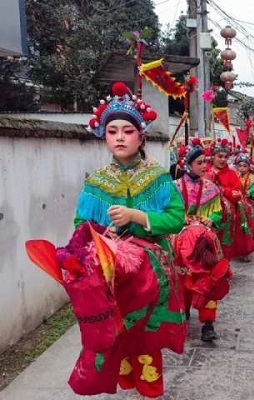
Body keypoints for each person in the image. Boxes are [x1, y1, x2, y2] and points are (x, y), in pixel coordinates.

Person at [74, 82, 186, 398]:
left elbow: (177, 219)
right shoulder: (95, 183)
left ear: (141, 136)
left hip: (152, 272)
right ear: (104, 137)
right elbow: (80, 225)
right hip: (112, 272)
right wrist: (99, 234)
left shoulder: (158, 177)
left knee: (147, 338)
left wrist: (136, 217)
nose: (120, 137)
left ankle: (150, 390)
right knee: (117, 333)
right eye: (113, 131)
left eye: (127, 131)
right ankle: (126, 384)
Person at [174, 138, 226, 342]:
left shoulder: (211, 188)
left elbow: (218, 212)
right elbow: (167, 213)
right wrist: (181, 220)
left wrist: (210, 219)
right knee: (181, 278)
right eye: (199, 163)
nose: (205, 166)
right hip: (179, 238)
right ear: (187, 164)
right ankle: (182, 311)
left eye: (205, 162)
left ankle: (208, 322)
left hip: (204, 238)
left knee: (209, 278)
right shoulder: (174, 187)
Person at [204, 138, 243, 260]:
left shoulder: (231, 174)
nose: (223, 160)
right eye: (219, 156)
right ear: (213, 156)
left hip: (226, 216)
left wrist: (223, 190)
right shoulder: (205, 171)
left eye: (225, 157)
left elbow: (237, 195)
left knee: (224, 242)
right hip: (207, 213)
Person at [235, 152, 254, 255]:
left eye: (244, 166)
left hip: (249, 202)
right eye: (240, 166)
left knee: (248, 224)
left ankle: (248, 247)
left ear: (248, 167)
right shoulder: (235, 176)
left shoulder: (253, 178)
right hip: (237, 200)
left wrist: (248, 193)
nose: (242, 168)